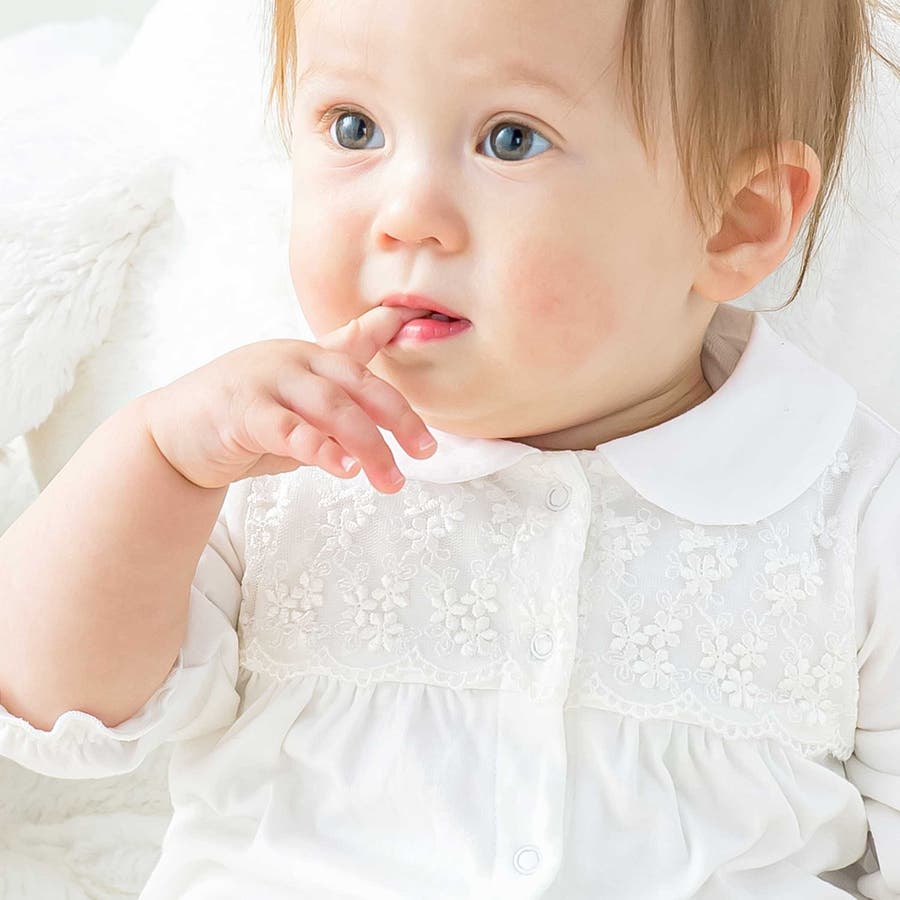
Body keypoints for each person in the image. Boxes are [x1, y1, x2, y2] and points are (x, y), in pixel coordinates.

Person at [1, 0, 899, 896]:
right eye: (354, 128)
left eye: (511, 140)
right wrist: (161, 461)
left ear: (734, 220)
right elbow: (55, 703)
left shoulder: (846, 507)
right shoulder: (267, 447)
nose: (406, 216)